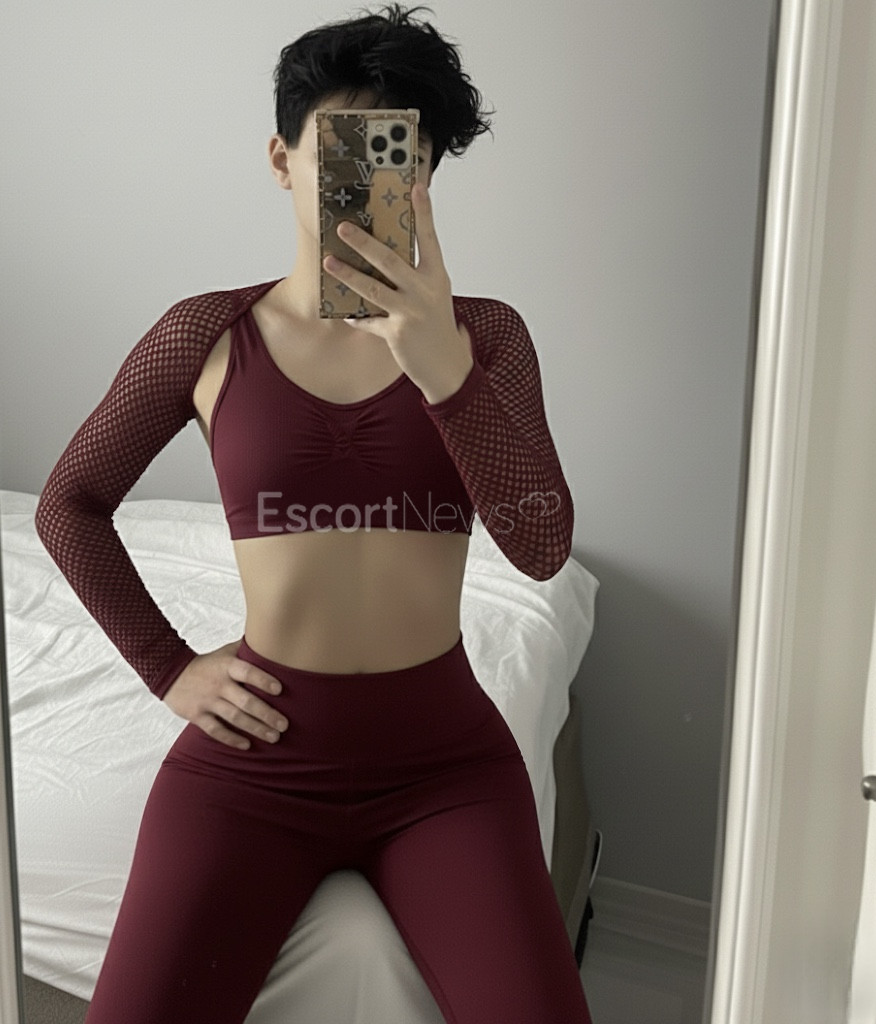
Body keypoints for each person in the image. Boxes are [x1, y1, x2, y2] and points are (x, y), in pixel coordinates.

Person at [34, 5, 592, 1022]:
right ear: (281, 158)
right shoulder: (206, 333)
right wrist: (168, 667)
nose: (366, 181)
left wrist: (441, 368)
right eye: (341, 147)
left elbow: (542, 545)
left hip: (445, 766)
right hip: (254, 759)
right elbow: (69, 504)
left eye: (396, 156)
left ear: (423, 177)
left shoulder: (485, 337)